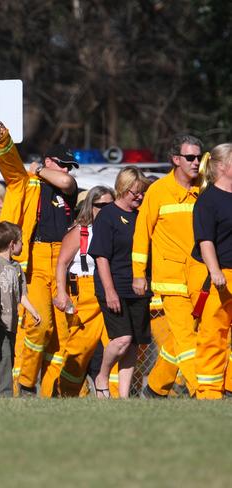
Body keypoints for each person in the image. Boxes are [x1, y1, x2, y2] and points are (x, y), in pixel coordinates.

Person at [0, 122, 79, 397]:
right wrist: (3, 140)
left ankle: (56, 392)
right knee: (40, 325)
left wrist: (41, 170)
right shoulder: (26, 184)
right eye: (62, 164)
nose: (66, 169)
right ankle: (27, 384)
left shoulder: (66, 185)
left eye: (69, 165)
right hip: (37, 260)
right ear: (48, 160)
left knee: (66, 336)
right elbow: (10, 165)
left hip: (63, 261)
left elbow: (66, 181)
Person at [131, 134, 204, 398]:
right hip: (171, 279)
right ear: (176, 159)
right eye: (190, 157)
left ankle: (155, 387)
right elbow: (142, 233)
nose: (196, 162)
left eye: (199, 157)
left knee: (188, 335)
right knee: (186, 337)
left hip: (201, 277)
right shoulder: (158, 191)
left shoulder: (203, 189)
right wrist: (138, 274)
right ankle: (204, 391)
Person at [89, 167, 152, 398]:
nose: (140, 197)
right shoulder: (108, 216)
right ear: (122, 190)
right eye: (135, 193)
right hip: (114, 285)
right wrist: (110, 291)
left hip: (139, 286)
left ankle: (123, 397)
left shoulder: (142, 214)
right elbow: (101, 257)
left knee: (133, 343)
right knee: (122, 339)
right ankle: (102, 376)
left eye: (142, 192)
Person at [50, 186, 117, 397]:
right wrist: (62, 293)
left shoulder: (115, 228)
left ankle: (114, 396)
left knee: (114, 345)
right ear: (90, 206)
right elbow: (61, 263)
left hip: (110, 291)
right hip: (85, 292)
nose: (105, 210)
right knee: (80, 348)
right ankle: (63, 391)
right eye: (100, 206)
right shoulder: (81, 230)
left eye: (110, 205)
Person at [191, 143, 232, 399]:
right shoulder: (208, 200)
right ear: (221, 166)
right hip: (221, 275)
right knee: (213, 334)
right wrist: (215, 271)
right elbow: (205, 241)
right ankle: (209, 392)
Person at [0, 221, 40, 397]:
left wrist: (33, 311)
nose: (23, 244)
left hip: (12, 321)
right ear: (12, 244)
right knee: (5, 356)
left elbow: (21, 295)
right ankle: (6, 395)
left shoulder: (17, 268)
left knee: (7, 358)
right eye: (21, 241)